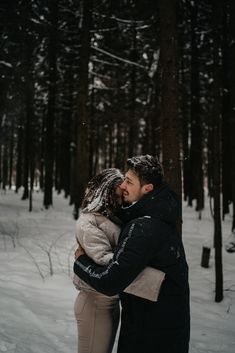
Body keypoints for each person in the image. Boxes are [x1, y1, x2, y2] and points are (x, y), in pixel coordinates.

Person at [74, 155, 190, 353]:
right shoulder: (157, 216)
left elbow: (111, 281)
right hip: (160, 327)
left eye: (129, 182)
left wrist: (80, 261)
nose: (123, 186)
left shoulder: (143, 226)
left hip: (151, 333)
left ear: (147, 189)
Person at [73, 168, 123, 353]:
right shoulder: (89, 222)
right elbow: (104, 261)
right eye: (118, 195)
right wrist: (133, 258)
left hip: (110, 301)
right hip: (95, 302)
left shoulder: (113, 218)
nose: (121, 200)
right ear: (105, 192)